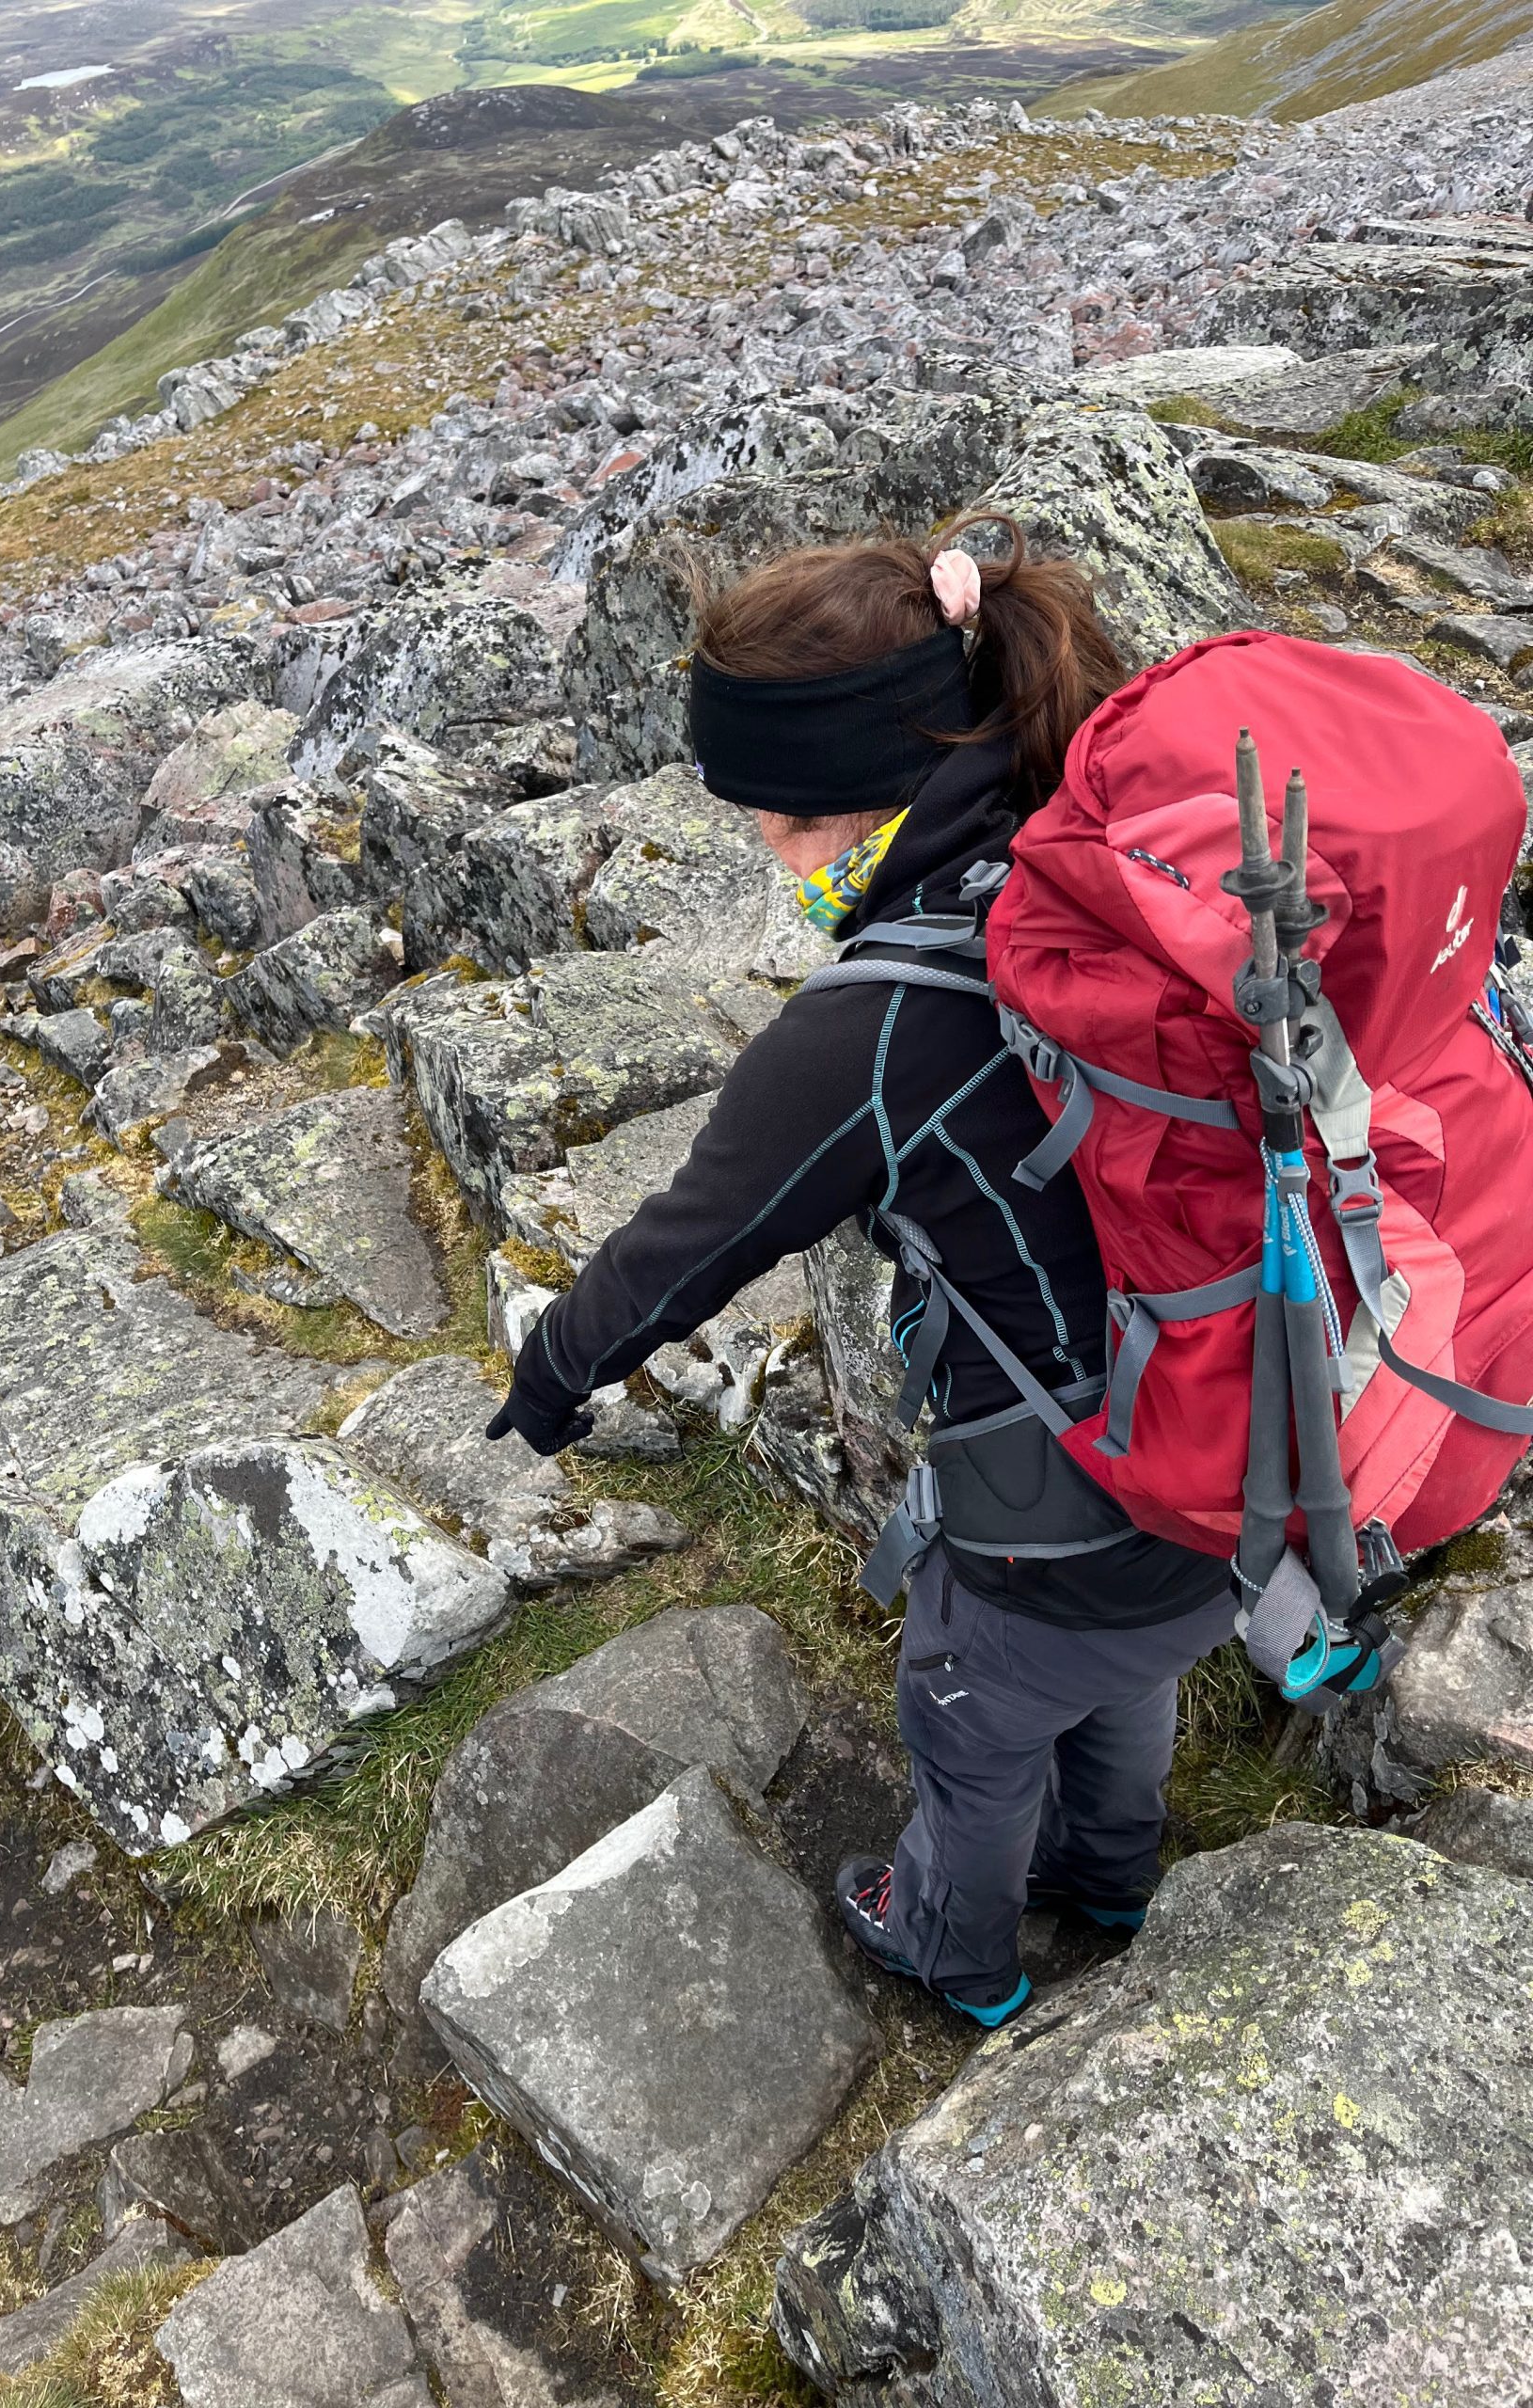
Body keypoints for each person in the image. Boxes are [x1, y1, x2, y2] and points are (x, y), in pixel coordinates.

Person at [484, 515, 1238, 2029]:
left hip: (1054, 1500)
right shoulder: (1097, 838)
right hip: (1234, 1440)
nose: (765, 850)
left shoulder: (874, 1028)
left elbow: (690, 1241)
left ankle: (955, 1956)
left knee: (970, 1716)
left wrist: (555, 1372)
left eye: (775, 817)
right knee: (1122, 1681)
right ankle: (1114, 1875)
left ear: (863, 794)